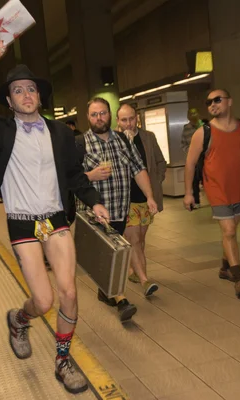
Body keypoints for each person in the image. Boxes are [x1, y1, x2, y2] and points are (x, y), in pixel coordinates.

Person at [0, 41, 110, 394]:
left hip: (55, 218)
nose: (26, 94)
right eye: (17, 90)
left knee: (69, 291)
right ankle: (19, 319)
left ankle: (62, 360)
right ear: (8, 101)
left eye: (31, 89)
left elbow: (72, 175)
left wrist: (94, 200)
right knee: (43, 301)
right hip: (22, 221)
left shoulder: (59, 133)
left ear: (39, 96)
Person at [183, 89, 240, 299]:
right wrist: (188, 193)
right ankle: (238, 278)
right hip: (215, 188)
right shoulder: (203, 132)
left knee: (231, 231)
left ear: (230, 101)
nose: (212, 104)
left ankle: (225, 267)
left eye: (217, 100)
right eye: (209, 102)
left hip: (238, 187)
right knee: (229, 231)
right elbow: (190, 163)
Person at [75, 97, 158, 322]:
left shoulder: (122, 140)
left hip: (121, 211)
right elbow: (70, 178)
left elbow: (138, 168)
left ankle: (106, 291)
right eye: (94, 114)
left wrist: (150, 196)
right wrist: (90, 176)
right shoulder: (80, 143)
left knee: (111, 253)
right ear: (88, 117)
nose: (99, 118)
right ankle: (121, 300)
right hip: (96, 214)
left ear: (109, 115)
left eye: (102, 113)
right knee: (115, 252)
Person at [116, 103, 166, 296]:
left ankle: (134, 269)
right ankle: (144, 279)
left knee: (141, 237)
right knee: (134, 238)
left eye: (131, 118)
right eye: (124, 120)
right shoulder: (114, 140)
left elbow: (160, 161)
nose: (128, 123)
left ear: (137, 118)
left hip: (146, 197)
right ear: (118, 121)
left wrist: (157, 181)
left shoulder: (148, 137)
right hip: (125, 199)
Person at [181, 108, 204, 208]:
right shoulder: (186, 128)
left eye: (195, 113)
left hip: (204, 157)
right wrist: (189, 152)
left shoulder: (204, 126)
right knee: (194, 179)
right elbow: (183, 143)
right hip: (193, 158)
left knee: (206, 177)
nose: (193, 115)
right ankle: (196, 201)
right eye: (191, 114)